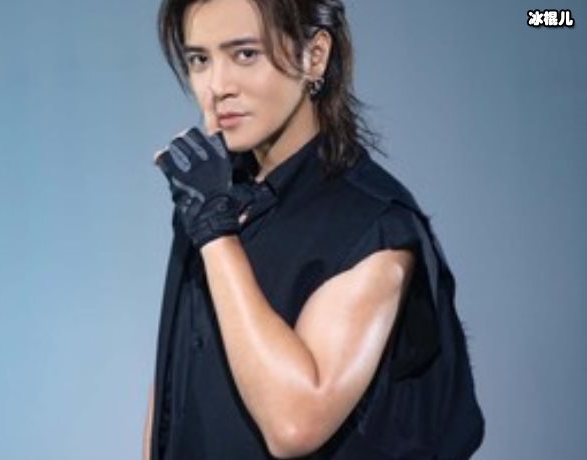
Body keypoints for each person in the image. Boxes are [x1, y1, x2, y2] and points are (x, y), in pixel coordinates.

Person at [144, 0, 485, 458]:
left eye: (245, 54)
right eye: (199, 59)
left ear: (315, 56)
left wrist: (214, 233)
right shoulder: (215, 195)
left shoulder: (374, 224)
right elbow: (173, 387)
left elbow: (295, 423)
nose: (218, 86)